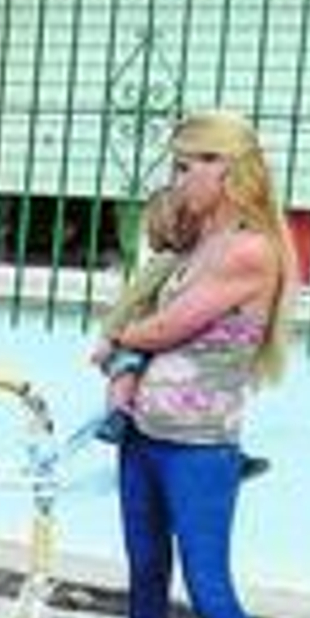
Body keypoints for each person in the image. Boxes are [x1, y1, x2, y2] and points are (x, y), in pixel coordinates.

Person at [106, 110, 295, 618]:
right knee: (145, 574)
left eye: (190, 165)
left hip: (201, 448)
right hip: (145, 437)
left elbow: (164, 326)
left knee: (211, 590)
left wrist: (120, 335)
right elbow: (150, 321)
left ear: (228, 169)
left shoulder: (250, 251)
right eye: (177, 165)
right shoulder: (194, 243)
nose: (179, 177)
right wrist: (124, 367)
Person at [91, 190, 272, 471]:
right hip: (139, 336)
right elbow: (132, 299)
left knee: (205, 393)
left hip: (169, 339)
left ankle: (227, 456)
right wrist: (109, 337)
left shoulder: (204, 262)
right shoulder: (168, 260)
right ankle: (116, 415)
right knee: (127, 371)